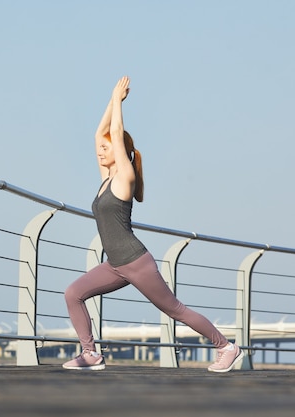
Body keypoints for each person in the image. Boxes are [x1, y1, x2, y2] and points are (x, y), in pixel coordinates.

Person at [62, 76, 244, 373]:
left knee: (174, 309)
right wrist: (111, 99)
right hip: (114, 265)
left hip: (135, 262)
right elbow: (100, 134)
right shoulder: (106, 179)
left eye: (107, 150)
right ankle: (90, 354)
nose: (101, 151)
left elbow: (115, 134)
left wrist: (119, 104)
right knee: (73, 293)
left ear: (120, 153)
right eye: (102, 150)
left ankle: (226, 347)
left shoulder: (124, 179)